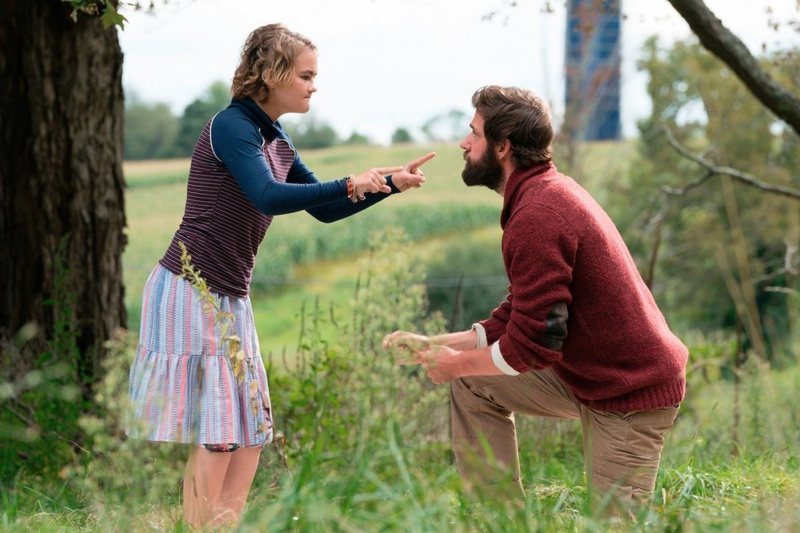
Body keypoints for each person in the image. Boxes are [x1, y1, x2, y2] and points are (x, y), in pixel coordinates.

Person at [127, 23, 436, 528]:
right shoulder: (232, 127)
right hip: (191, 288)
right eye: (306, 75)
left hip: (229, 295)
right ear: (272, 74)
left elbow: (326, 210)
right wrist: (348, 181)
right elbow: (267, 196)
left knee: (250, 429)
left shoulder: (274, 135)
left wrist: (387, 185)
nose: (314, 85)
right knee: (221, 429)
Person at [383, 85, 687, 518]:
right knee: (473, 383)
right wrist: (437, 345)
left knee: (612, 527)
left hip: (630, 391)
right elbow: (519, 315)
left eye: (474, 133)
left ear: (503, 147)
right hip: (587, 376)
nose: (463, 143)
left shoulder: (540, 213)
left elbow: (532, 346)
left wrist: (456, 363)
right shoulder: (539, 196)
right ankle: (500, 521)